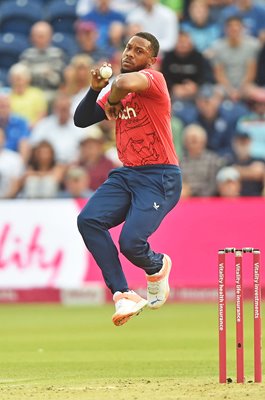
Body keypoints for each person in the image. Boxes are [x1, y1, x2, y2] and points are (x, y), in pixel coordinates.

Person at [74, 32, 182, 326]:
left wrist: (112, 97)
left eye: (139, 50)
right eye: (128, 48)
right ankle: (123, 293)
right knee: (88, 220)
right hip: (128, 173)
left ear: (152, 60)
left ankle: (158, 265)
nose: (129, 53)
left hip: (160, 175)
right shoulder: (116, 92)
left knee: (131, 243)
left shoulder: (153, 80)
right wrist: (95, 90)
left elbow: (121, 83)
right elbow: (81, 119)